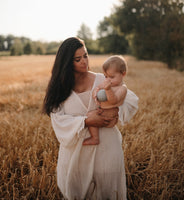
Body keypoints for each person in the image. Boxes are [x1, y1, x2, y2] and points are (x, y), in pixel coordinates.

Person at [42, 37, 138, 200]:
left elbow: (130, 100)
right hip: (75, 157)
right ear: (66, 63)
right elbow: (58, 120)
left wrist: (115, 111)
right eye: (77, 59)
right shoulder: (60, 89)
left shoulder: (103, 80)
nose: (84, 62)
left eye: (85, 56)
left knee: (108, 193)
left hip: (107, 152)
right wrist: (86, 120)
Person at [83, 55, 138, 145]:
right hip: (102, 110)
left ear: (123, 74)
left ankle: (95, 138)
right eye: (105, 76)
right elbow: (97, 87)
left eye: (111, 77)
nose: (108, 79)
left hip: (110, 115)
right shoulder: (109, 83)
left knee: (90, 117)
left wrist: (108, 90)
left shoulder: (122, 89)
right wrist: (95, 94)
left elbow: (114, 101)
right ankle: (95, 137)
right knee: (89, 116)